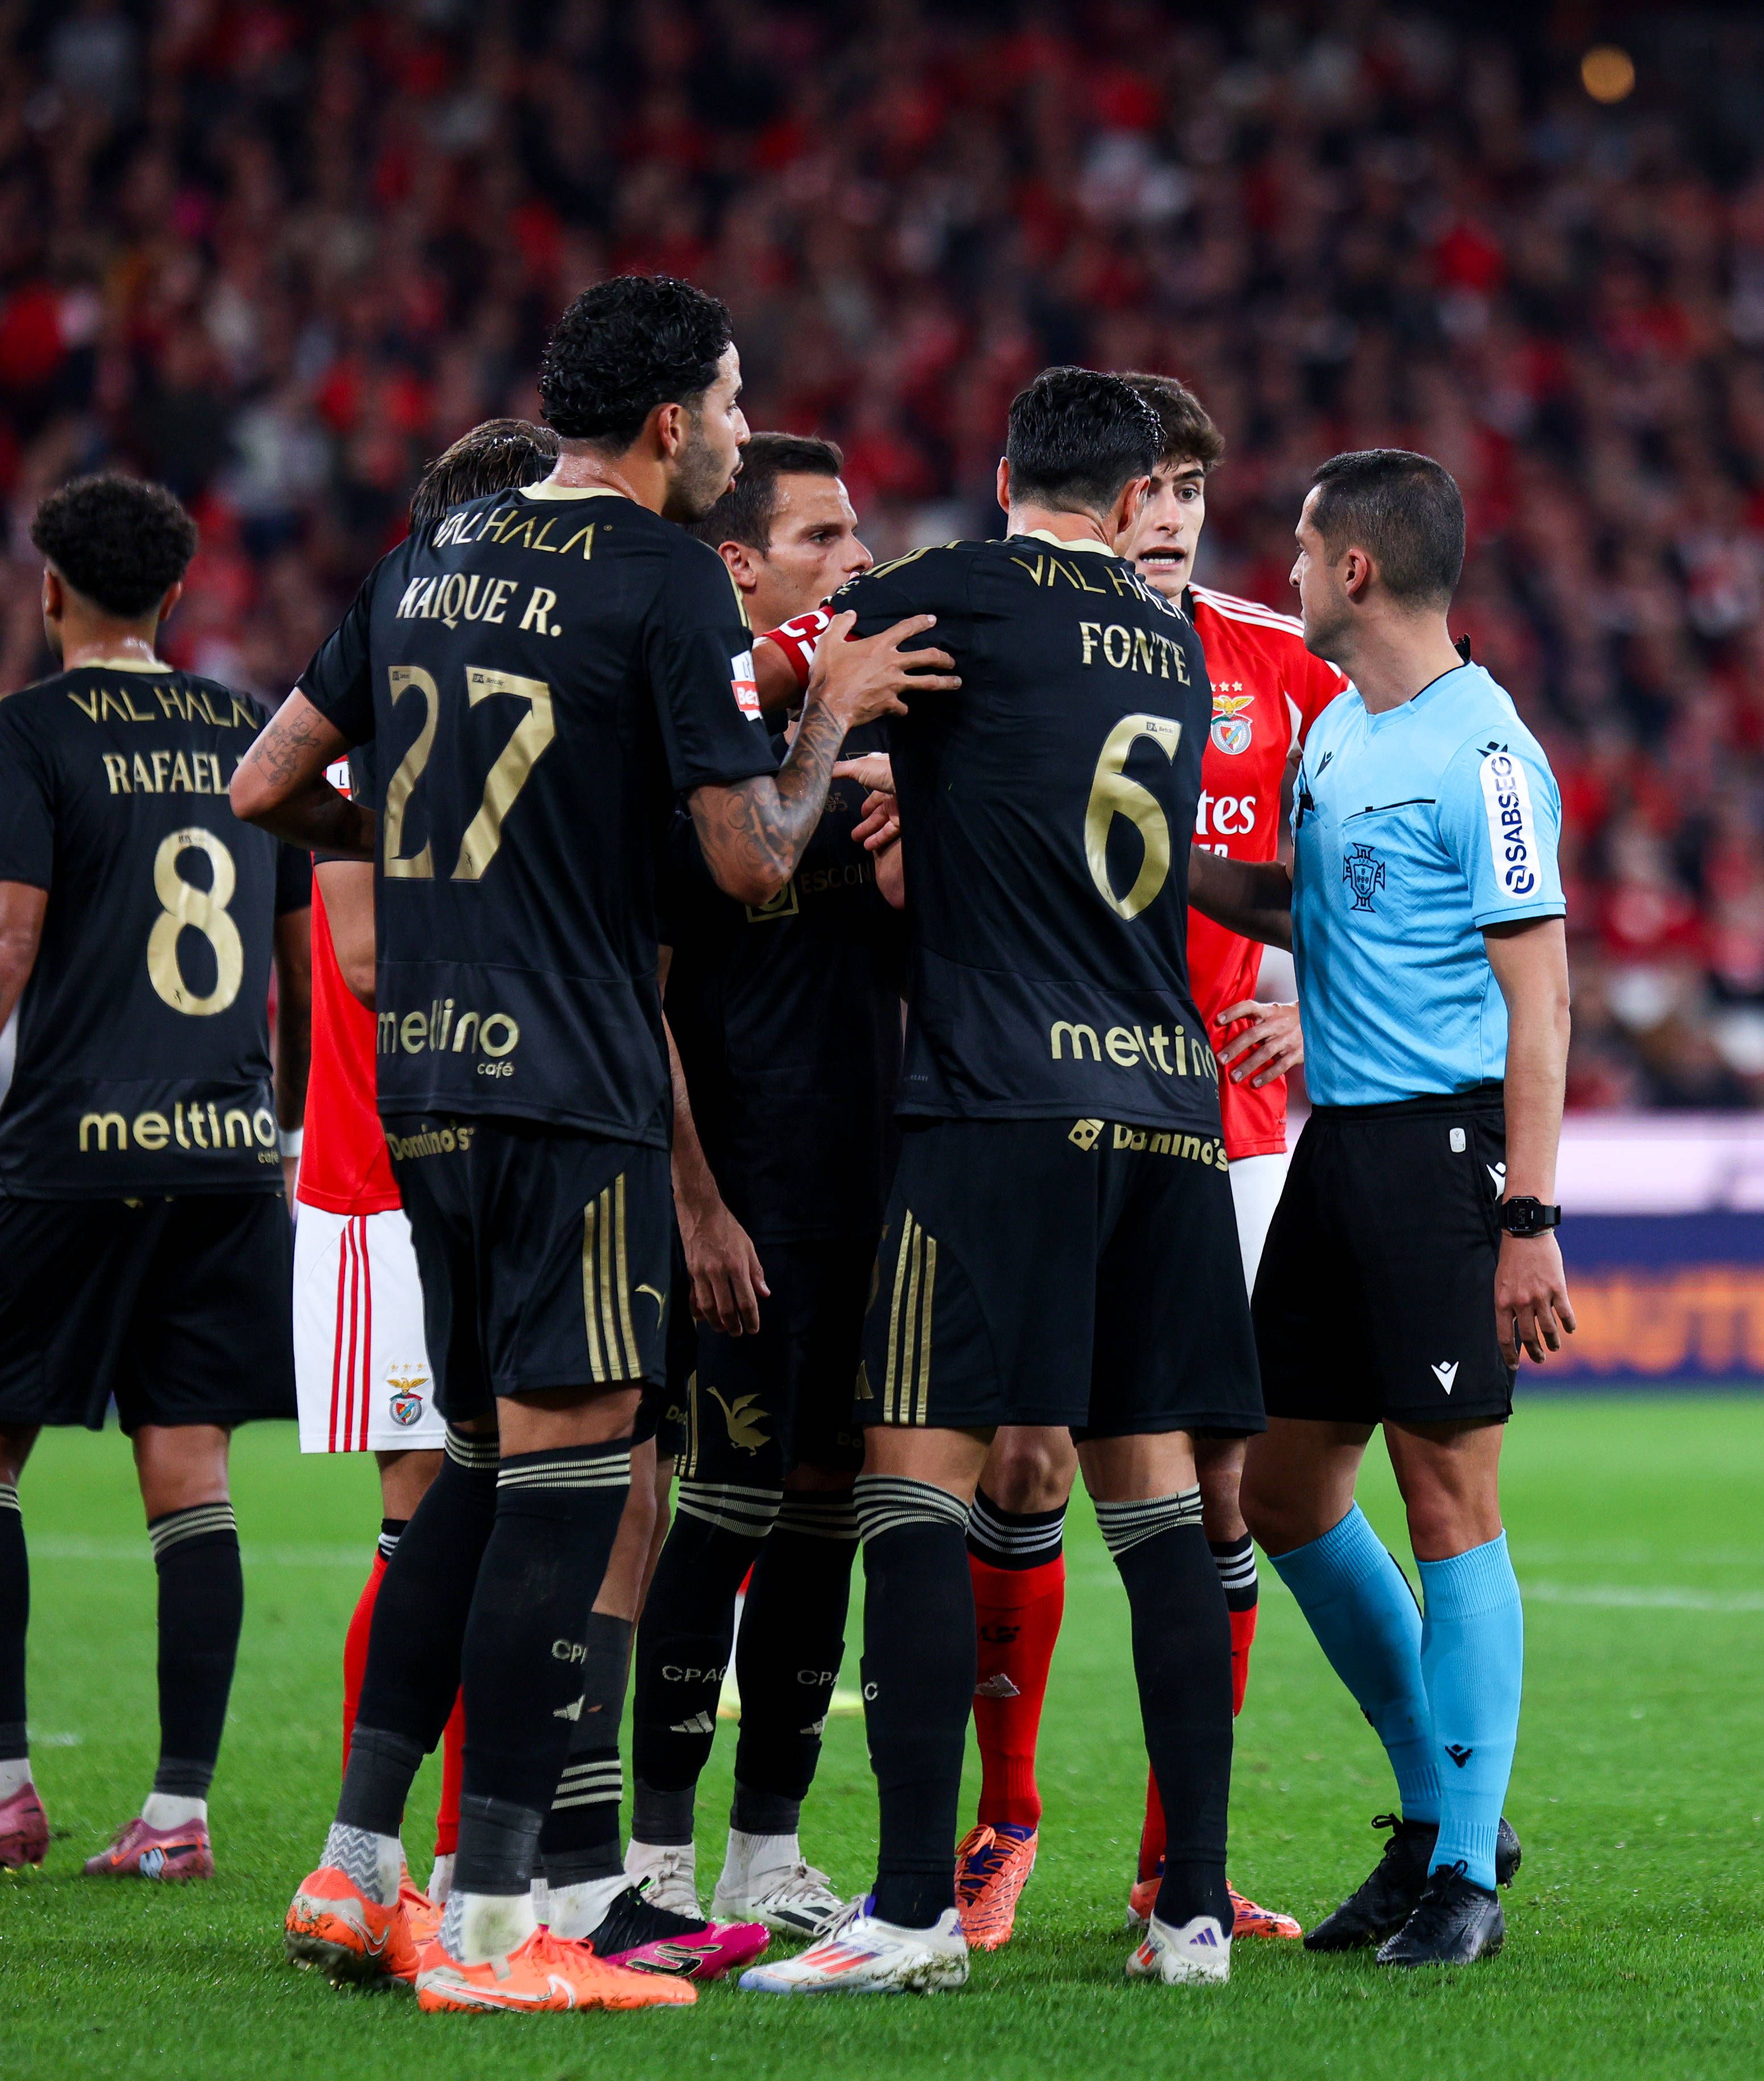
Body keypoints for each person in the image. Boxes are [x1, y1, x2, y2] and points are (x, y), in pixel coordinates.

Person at [235, 274, 940, 2014]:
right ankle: (497, 1935)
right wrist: (834, 706)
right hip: (570, 1080)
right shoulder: (652, 582)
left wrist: (447, 845)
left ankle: (356, 1872)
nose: (732, 419)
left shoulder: (421, 566)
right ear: (666, 426)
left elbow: (265, 785)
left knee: (475, 1472)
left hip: (429, 1087)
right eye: (727, 395)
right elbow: (757, 863)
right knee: (570, 1482)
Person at [734, 367, 1261, 1997]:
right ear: (1126, 506)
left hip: (994, 1103)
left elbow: (773, 695)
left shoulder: (935, 593)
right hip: (1168, 1105)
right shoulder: (1174, 645)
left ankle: (904, 1911)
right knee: (1160, 1504)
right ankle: (1192, 1915)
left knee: (912, 1481)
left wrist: (841, 731)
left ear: (1006, 473)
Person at [0, 475, 314, 1884]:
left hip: (75, 1154)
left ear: (50, 591)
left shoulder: (29, 729)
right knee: (190, 1468)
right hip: (232, 1158)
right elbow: (296, 950)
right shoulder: (248, 728)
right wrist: (281, 1135)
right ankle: (177, 1820)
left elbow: (2, 934)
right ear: (174, 596)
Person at [947, 371, 1338, 1952]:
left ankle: (1185, 1864)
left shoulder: (1280, 664)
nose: (1169, 513)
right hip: (1042, 1109)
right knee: (1024, 1462)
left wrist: (1313, 988)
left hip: (1229, 1139)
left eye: (1191, 486)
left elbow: (1384, 846)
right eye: (1149, 486)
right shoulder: (1005, 633)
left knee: (1221, 1492)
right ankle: (1005, 1820)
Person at [1186, 448, 1573, 1967]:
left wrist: (1529, 1213)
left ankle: (1465, 1872)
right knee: (1279, 1490)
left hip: (1445, 1159)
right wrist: (1173, 874)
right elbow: (1315, 903)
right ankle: (1432, 1814)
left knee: (1448, 1502)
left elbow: (1539, 1000)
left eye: (1295, 546)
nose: (1278, 566)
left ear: (1356, 569)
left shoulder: (1487, 752)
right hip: (1338, 1146)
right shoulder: (1341, 730)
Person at [622, 431, 926, 1945]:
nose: (853, 558)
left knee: (830, 1516)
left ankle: (767, 1853)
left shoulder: (882, 742)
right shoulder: (698, 740)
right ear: (737, 561)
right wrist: (698, 1205)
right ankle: (658, 1862)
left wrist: (908, 839)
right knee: (724, 1509)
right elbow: (649, 992)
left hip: (868, 1184)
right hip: (740, 1194)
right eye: (820, 536)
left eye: (858, 529)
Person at [304, 417, 558, 1919]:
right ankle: (373, 1859)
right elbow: (360, 951)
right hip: (384, 1174)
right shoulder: (387, 703)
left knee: (488, 1501)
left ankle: (439, 1854)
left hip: (463, 1154)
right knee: (432, 1513)